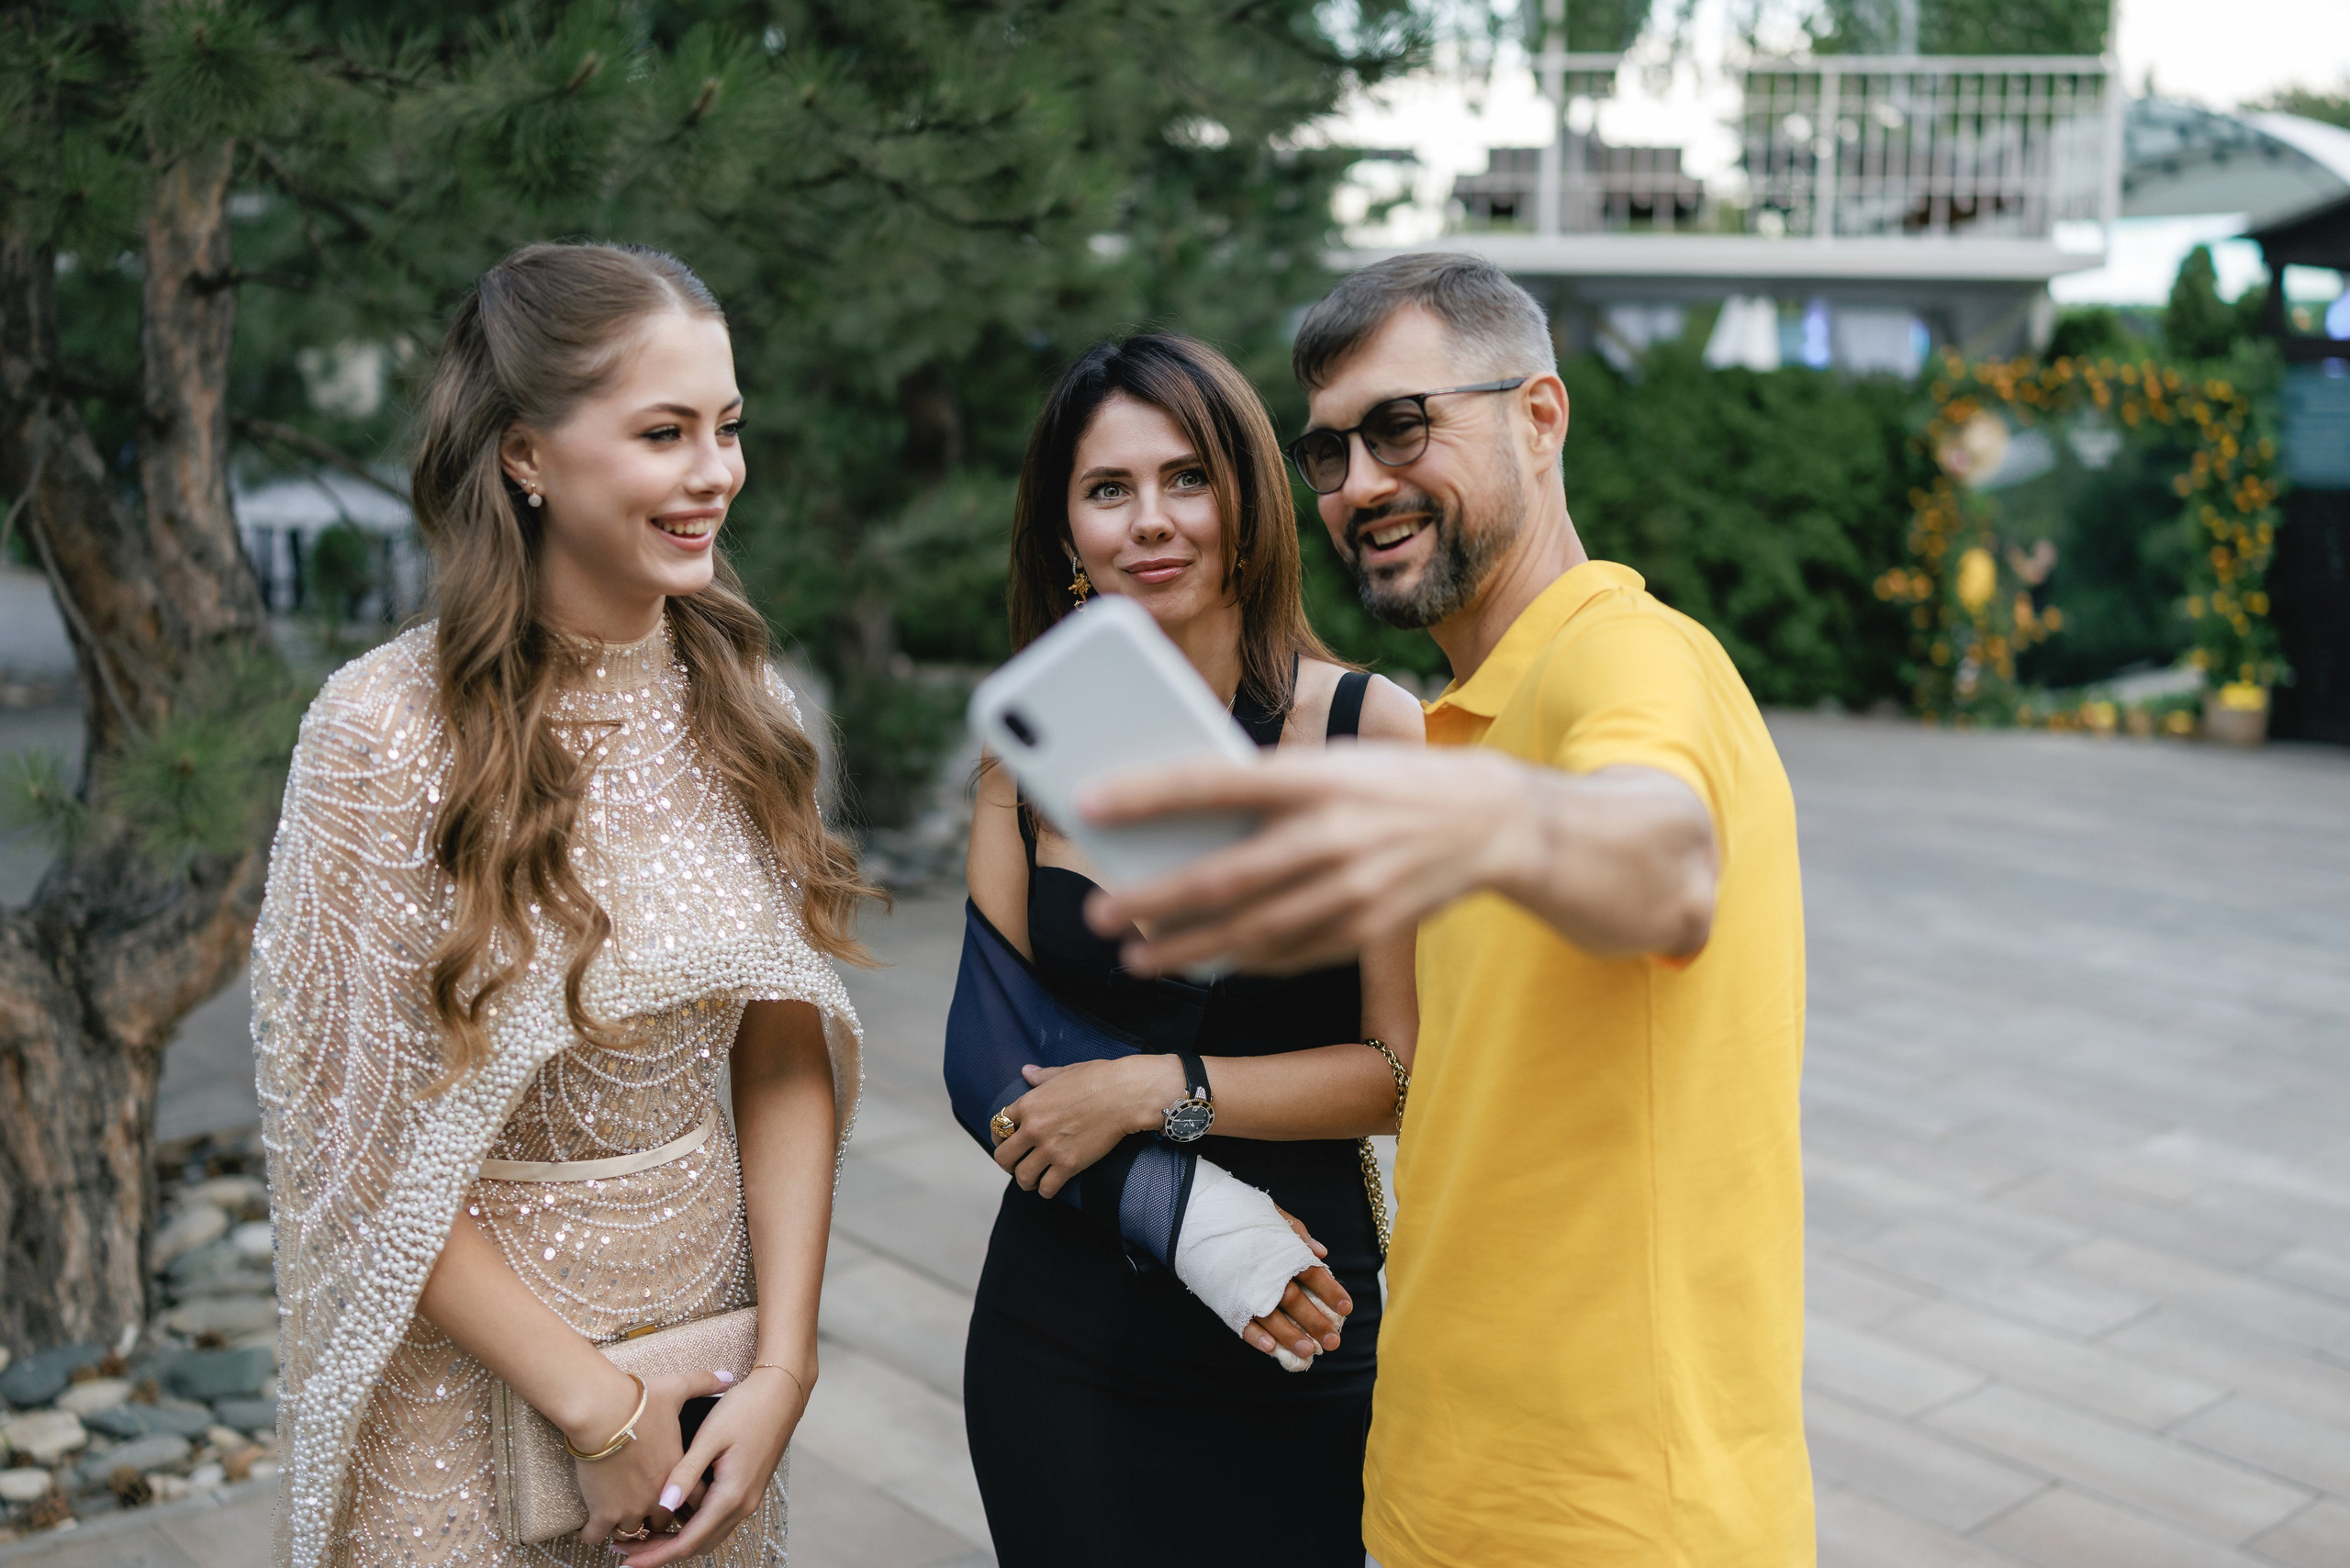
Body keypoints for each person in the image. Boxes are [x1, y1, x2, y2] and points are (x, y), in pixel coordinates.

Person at [1080, 255, 1815, 1565]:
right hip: (1446, 1487)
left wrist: (1438, 819)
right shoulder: (1468, 719)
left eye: (1402, 426)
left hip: (1618, 1515)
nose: (1359, 483)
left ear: (1541, 417)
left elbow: (1662, 863)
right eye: (1328, 453)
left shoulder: (1629, 660)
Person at [252, 242, 874, 1568]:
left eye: (728, 427)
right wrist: (596, 1414)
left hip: (703, 1343)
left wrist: (781, 1368)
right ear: (526, 455)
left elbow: (779, 1050)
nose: (717, 472)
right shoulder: (381, 733)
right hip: (467, 1370)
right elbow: (357, 1143)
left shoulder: (749, 705)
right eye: (665, 432)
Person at [960, 332, 1424, 1568]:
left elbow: (1399, 1071)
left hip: (1295, 1309)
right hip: (1061, 1335)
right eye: (1108, 490)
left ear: (1247, 501)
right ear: (1066, 533)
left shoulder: (1365, 730)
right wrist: (1181, 1207)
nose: (1150, 522)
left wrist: (1159, 1094)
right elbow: (981, 1060)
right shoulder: (1026, 748)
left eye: (1186, 479)